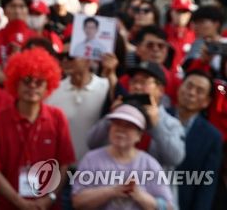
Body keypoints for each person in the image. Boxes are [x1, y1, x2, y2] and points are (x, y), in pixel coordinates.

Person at [0, 48, 75, 209]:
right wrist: (19, 202)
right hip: (7, 206)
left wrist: (49, 199)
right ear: (15, 82)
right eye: (26, 80)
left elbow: (64, 164)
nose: (32, 86)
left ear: (48, 85)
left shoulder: (57, 118)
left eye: (39, 82)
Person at [72, 103, 174, 210]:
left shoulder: (149, 164)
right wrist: (112, 191)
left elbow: (168, 207)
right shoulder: (91, 159)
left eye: (128, 126)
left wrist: (139, 195)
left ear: (139, 135)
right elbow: (77, 202)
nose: (120, 130)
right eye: (116, 124)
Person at [174, 71, 222, 210]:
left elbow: (207, 184)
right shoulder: (157, 117)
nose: (191, 93)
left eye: (199, 91)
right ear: (179, 88)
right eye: (189, 86)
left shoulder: (212, 137)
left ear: (206, 102)